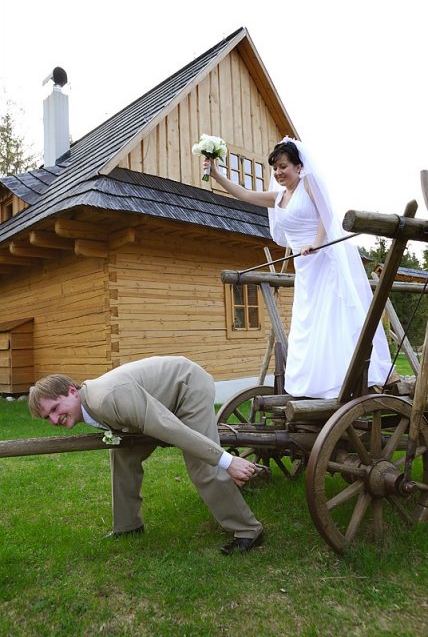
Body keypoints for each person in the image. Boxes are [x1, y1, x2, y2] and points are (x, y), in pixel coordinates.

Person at [204, 137, 392, 398]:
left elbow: (327, 214)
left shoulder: (309, 184)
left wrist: (316, 244)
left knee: (333, 317)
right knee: (310, 323)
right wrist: (216, 174)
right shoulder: (278, 197)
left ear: (298, 166)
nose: (278, 172)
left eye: (283, 166)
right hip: (305, 268)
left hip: (323, 261)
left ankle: (358, 376)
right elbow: (244, 194)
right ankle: (319, 384)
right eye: (275, 168)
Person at [28, 356, 264, 555]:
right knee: (123, 457)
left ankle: (247, 530)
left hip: (187, 387)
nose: (54, 419)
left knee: (202, 466)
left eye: (55, 408)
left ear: (72, 391)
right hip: (157, 403)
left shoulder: (106, 399)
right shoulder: (91, 402)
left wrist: (226, 460)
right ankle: (128, 526)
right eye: (47, 417)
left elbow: (167, 427)